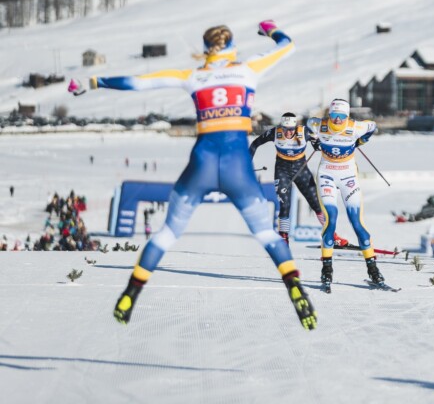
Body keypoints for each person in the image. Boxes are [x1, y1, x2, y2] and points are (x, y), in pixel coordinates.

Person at [68, 22, 317, 330]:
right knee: (267, 234)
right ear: (231, 47)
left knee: (167, 233)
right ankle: (295, 287)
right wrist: (270, 29)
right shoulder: (247, 70)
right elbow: (287, 45)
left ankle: (131, 292)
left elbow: (138, 82)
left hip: (202, 163)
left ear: (206, 49)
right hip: (238, 166)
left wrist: (92, 82)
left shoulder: (194, 76)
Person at [306, 98, 382, 290]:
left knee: (357, 223)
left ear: (347, 116)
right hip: (327, 175)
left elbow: (372, 126)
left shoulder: (355, 127)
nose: (338, 119)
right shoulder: (320, 125)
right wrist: (314, 140)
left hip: (348, 176)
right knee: (331, 220)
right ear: (329, 114)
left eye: (341, 116)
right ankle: (327, 270)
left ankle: (373, 270)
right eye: (334, 115)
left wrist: (360, 141)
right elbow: (309, 124)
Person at [249, 113, 349, 246]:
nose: (288, 132)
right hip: (282, 171)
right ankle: (283, 240)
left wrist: (318, 144)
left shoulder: (304, 132)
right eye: (285, 129)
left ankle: (332, 236)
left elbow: (321, 142)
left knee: (316, 204)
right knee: (284, 205)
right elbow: (255, 143)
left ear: (295, 127)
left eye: (291, 129)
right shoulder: (275, 132)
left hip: (301, 170)